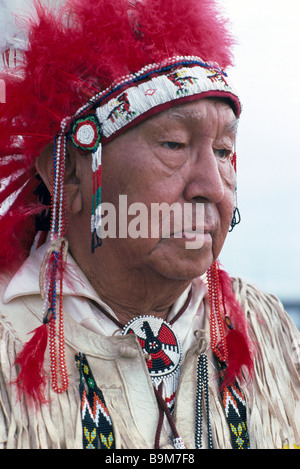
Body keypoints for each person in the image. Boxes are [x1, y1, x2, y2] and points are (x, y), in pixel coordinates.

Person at [0, 0, 299, 450]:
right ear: (71, 174)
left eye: (223, 151)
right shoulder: (10, 343)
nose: (213, 187)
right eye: (174, 144)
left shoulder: (267, 332)